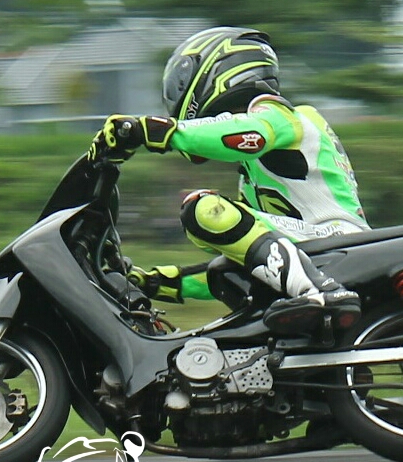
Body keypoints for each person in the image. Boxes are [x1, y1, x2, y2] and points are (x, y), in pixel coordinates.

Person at [88, 26, 369, 334]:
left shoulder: (282, 115)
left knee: (203, 208)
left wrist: (155, 130)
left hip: (334, 238)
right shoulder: (254, 171)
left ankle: (318, 292)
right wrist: (155, 282)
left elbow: (245, 133)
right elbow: (256, 260)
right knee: (224, 269)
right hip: (314, 245)